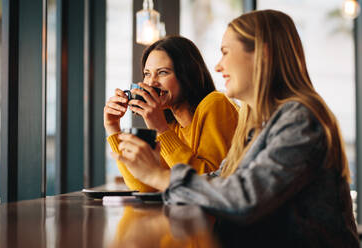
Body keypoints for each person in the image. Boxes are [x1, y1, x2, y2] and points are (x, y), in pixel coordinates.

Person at [112, 10, 359, 247]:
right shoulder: (259, 124)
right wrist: (143, 165)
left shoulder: (301, 119)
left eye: (225, 52)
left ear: (263, 55)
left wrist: (159, 176)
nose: (218, 66)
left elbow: (245, 198)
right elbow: (221, 179)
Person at [104, 36, 238, 192]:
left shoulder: (216, 103)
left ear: (187, 74)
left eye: (162, 72)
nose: (151, 83)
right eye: (147, 74)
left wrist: (160, 128)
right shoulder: (171, 124)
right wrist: (113, 127)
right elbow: (146, 186)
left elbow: (205, 185)